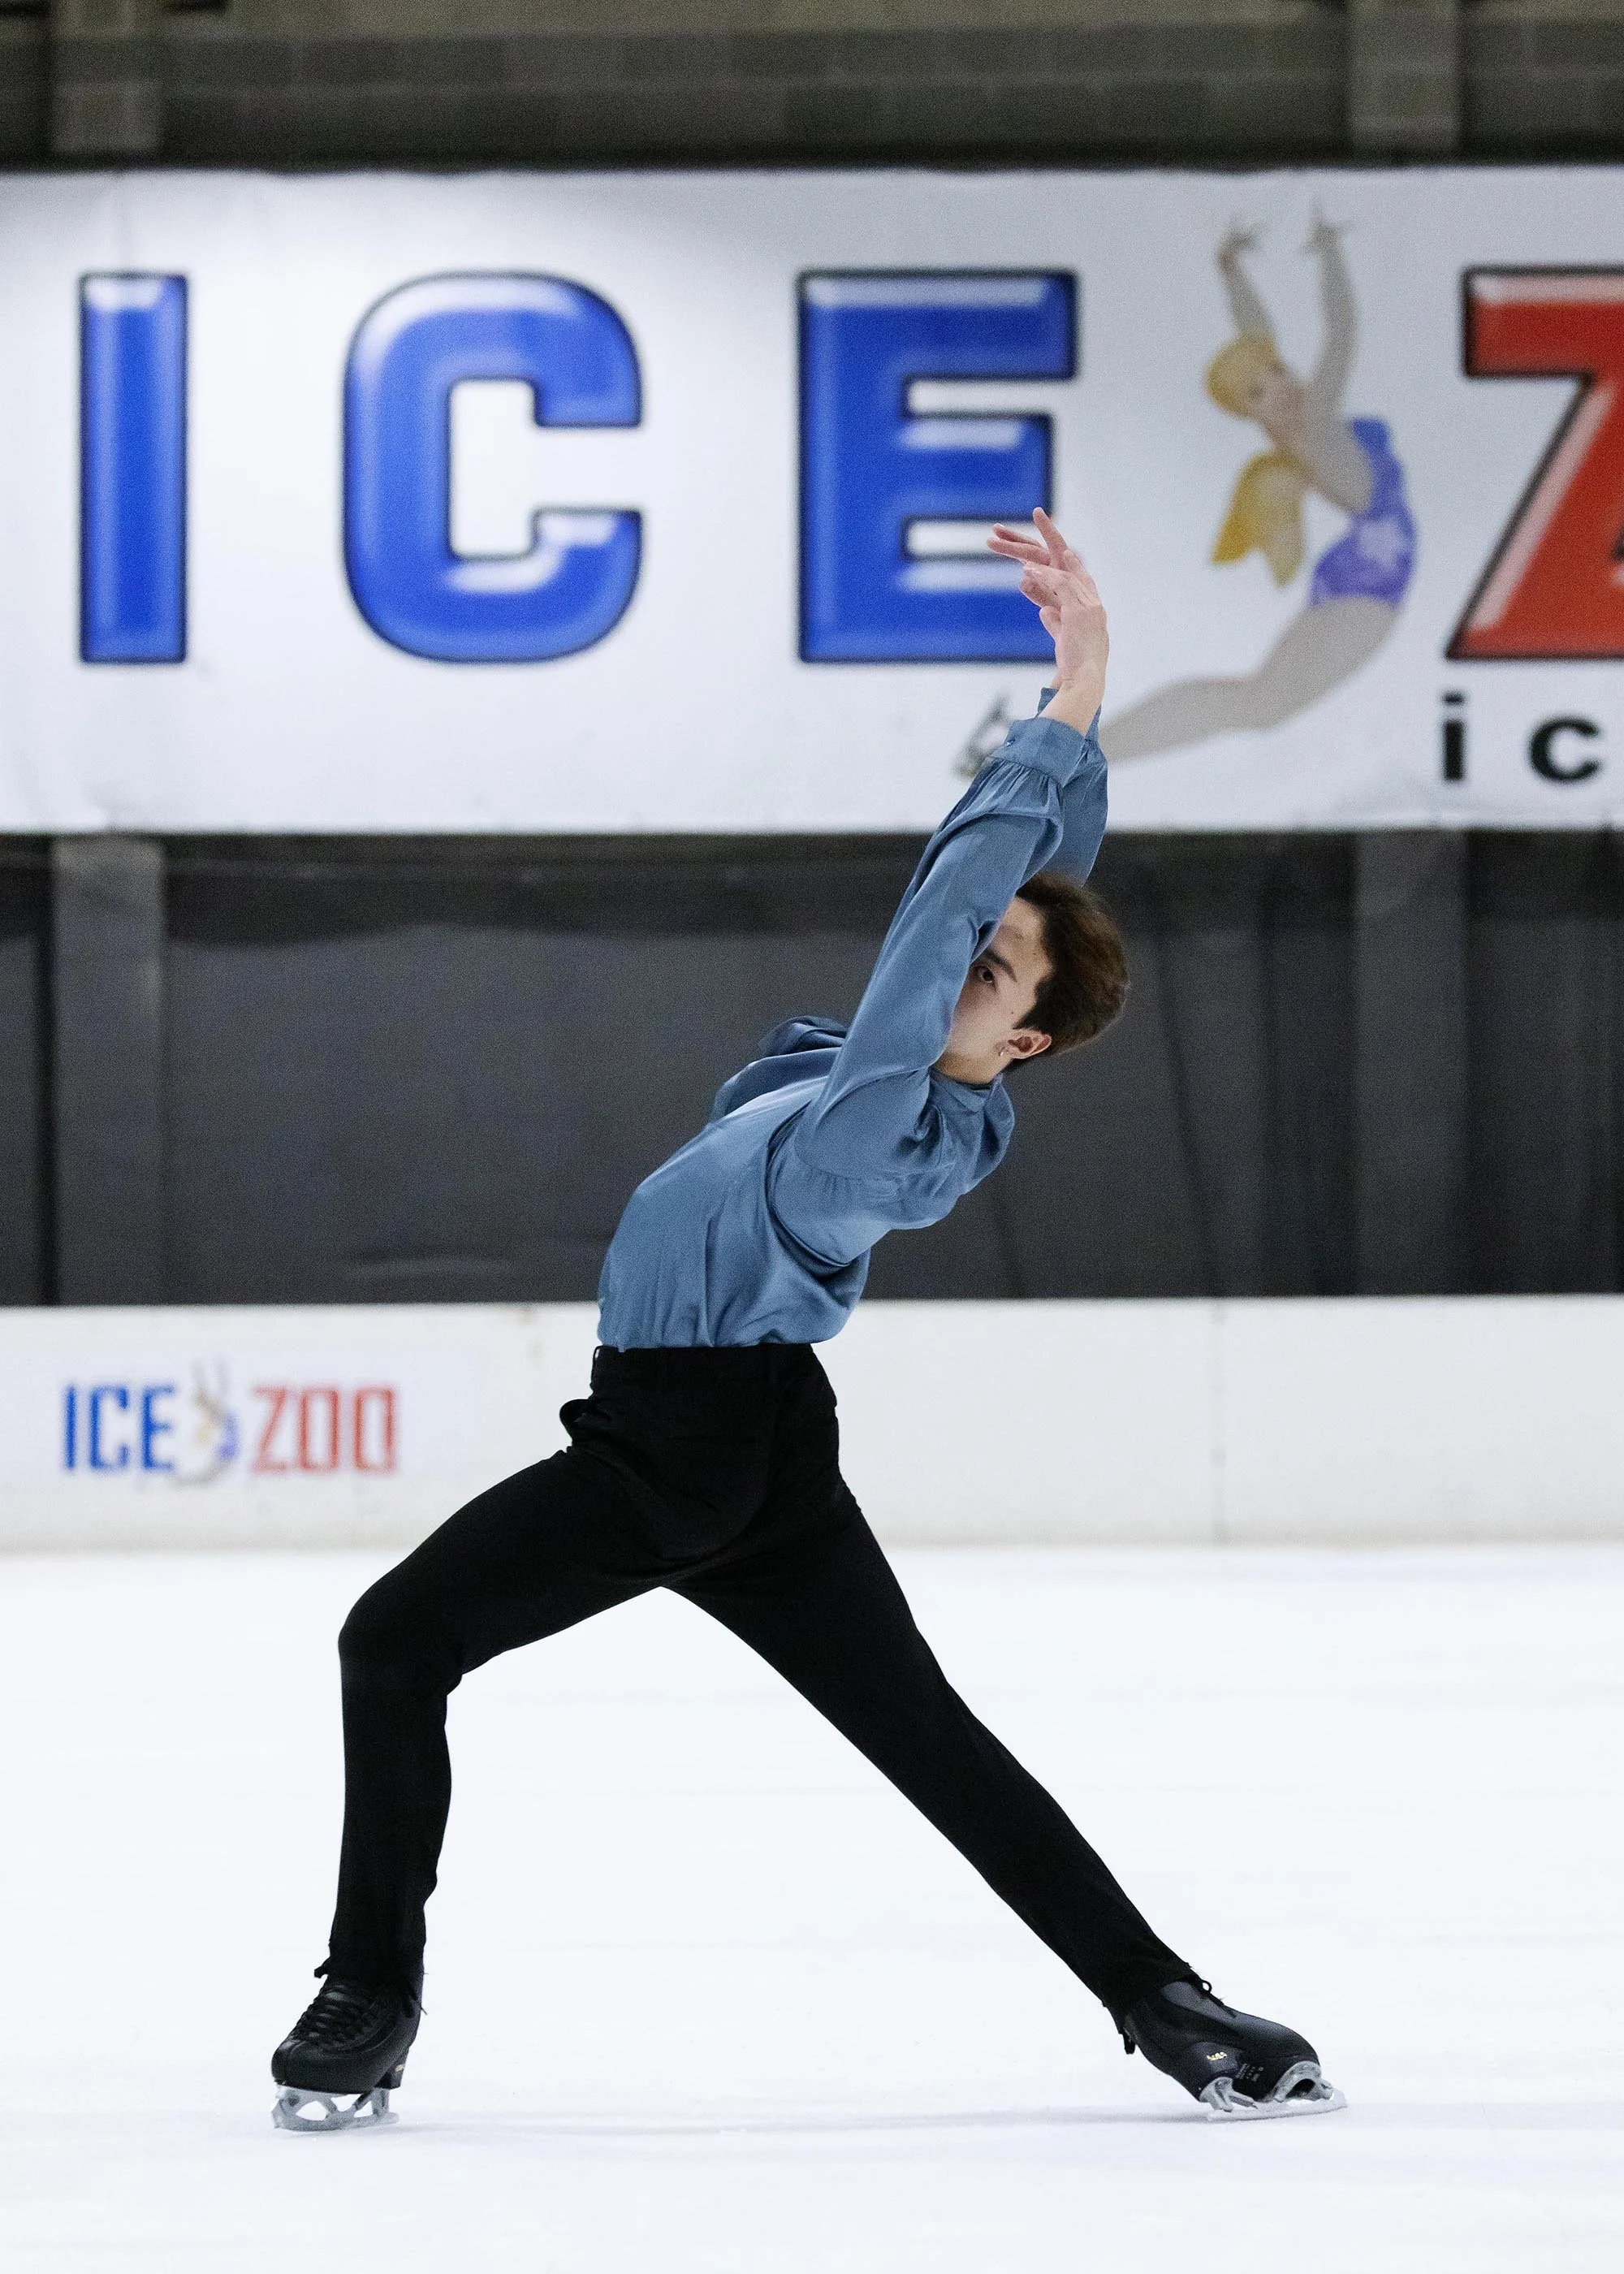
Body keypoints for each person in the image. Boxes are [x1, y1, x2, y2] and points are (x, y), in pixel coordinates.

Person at [270, 510, 1343, 2132]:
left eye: (989, 976)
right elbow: (979, 897)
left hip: (676, 1450)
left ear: (1027, 1041)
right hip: (748, 1441)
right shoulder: (852, 1068)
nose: (947, 971)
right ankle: (1171, 2006)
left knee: (394, 1640)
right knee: (928, 1735)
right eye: (972, 962)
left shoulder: (883, 1128)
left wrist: (1079, 692)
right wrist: (1075, 708)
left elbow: (949, 899)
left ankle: (369, 1993)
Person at [1104, 219, 1415, 763]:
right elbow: (1342, 328)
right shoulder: (1315, 424)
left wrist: (1232, 272)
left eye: (1277, 372)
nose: (1280, 387)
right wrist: (1330, 253)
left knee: (1257, 704)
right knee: (1258, 706)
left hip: (1360, 574)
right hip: (1368, 584)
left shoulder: (1310, 427)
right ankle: (1091, 752)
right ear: (1251, 413)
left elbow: (1259, 335)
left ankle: (1089, 752)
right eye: (1258, 392)